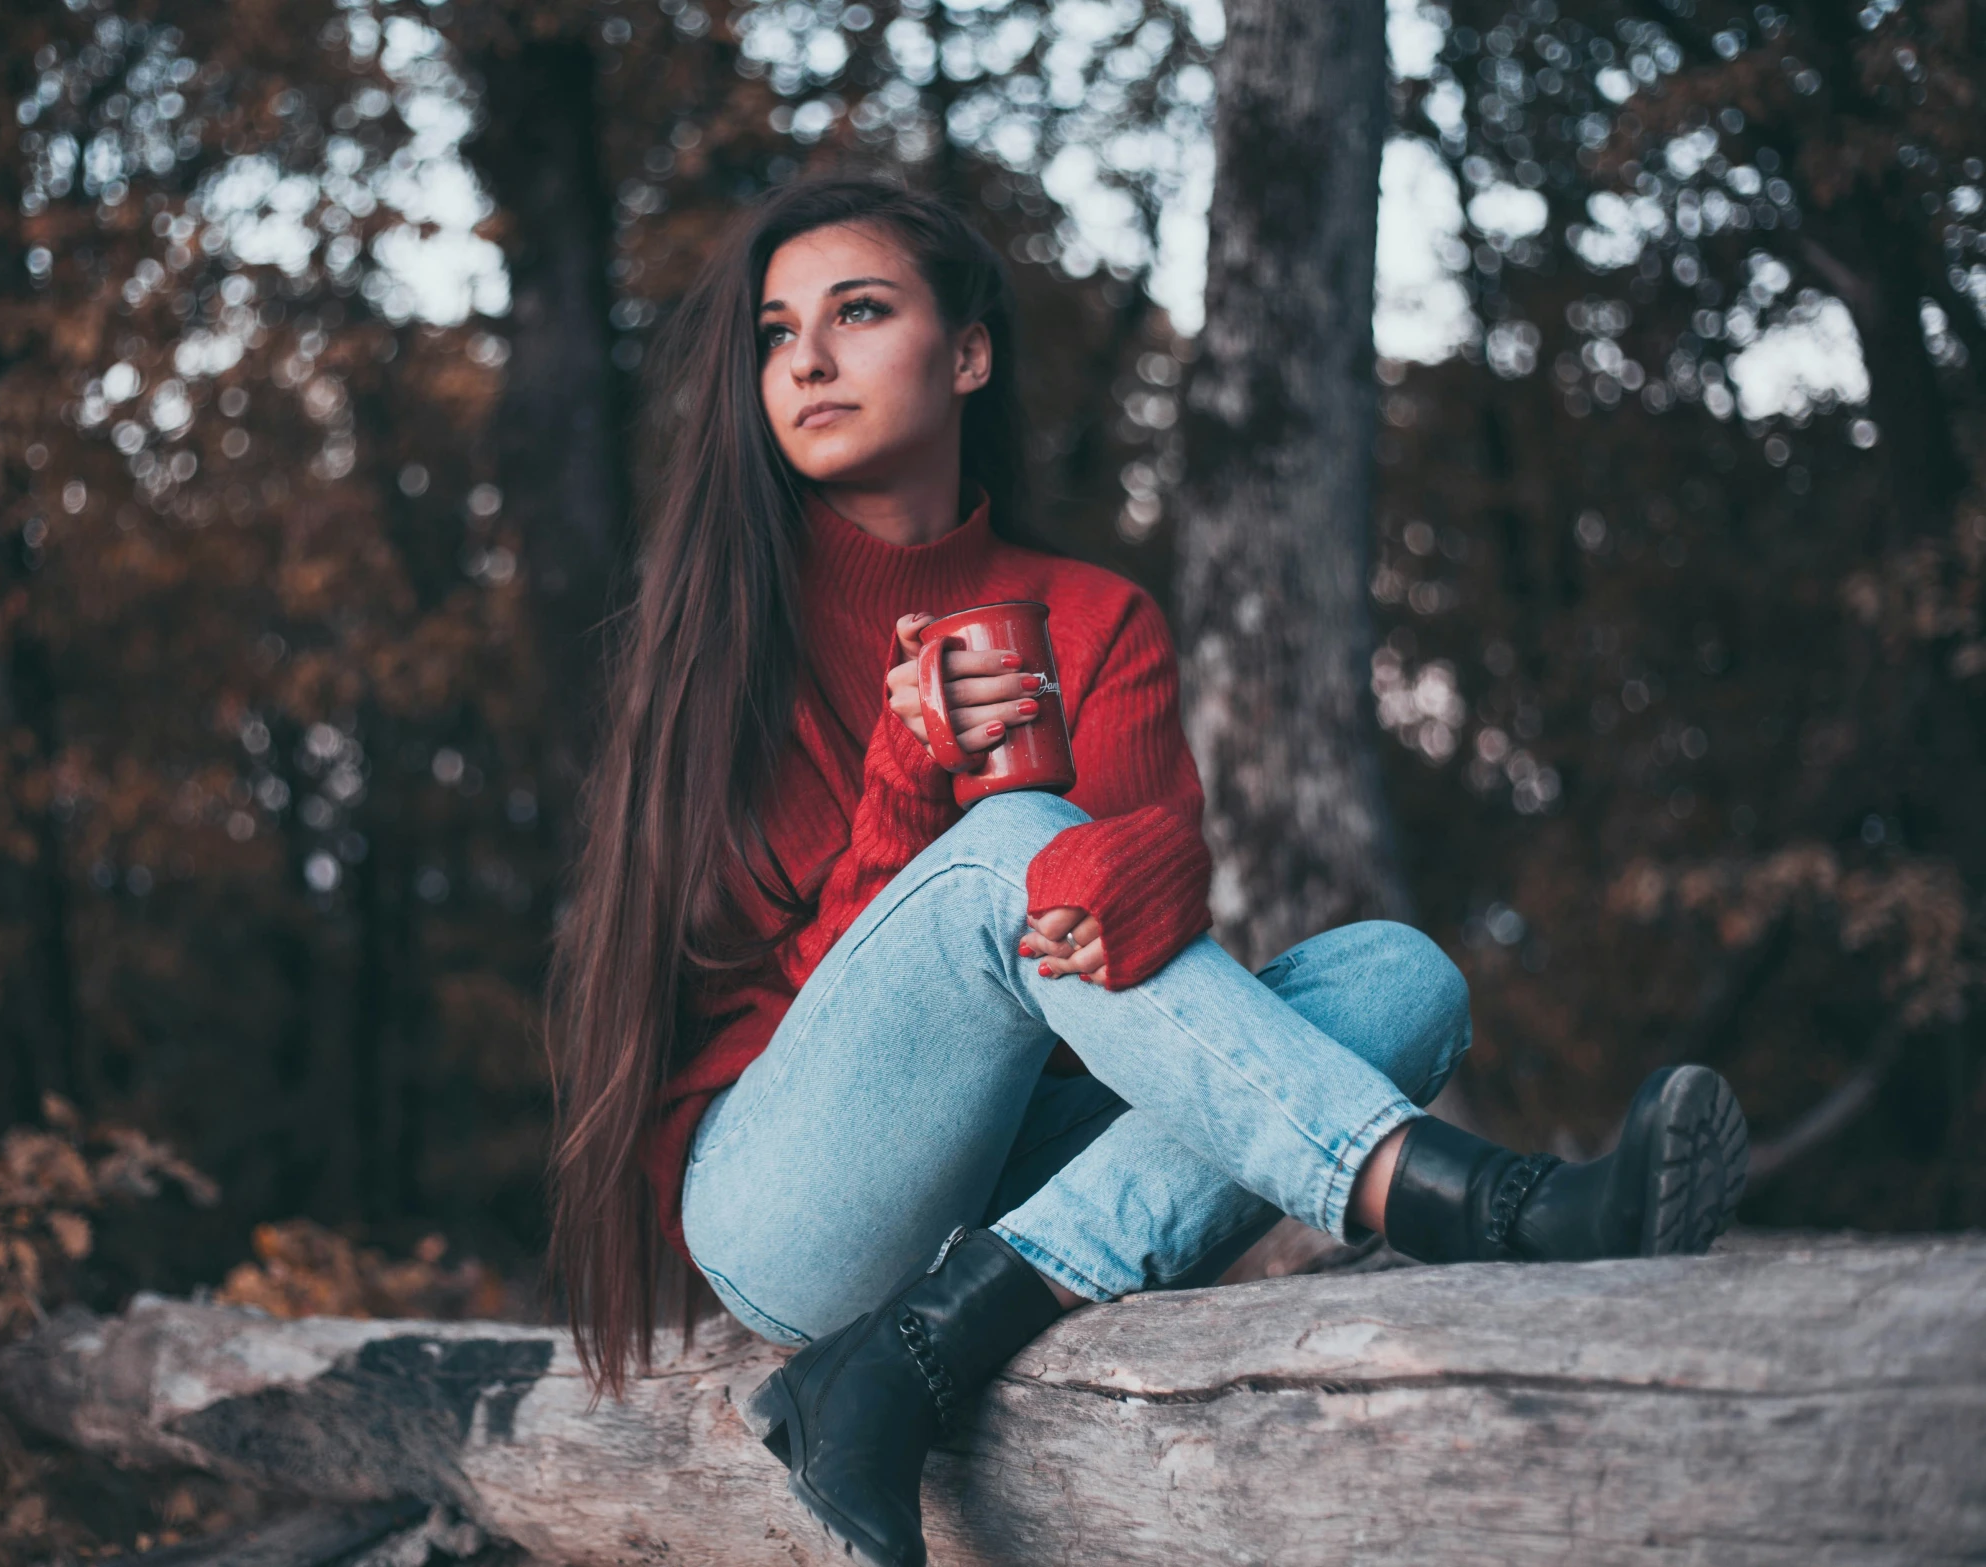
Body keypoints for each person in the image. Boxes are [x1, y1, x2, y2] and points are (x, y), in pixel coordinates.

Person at [545, 176, 1749, 1567]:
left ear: (969, 350)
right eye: (773, 332)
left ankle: (914, 1359)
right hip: (784, 1199)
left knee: (1393, 976)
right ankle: (1488, 1200)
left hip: (1009, 1182)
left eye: (857, 312)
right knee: (1002, 848)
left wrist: (1156, 863)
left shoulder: (1095, 619)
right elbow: (820, 979)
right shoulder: (718, 644)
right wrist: (905, 784)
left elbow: (1113, 983)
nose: (804, 360)